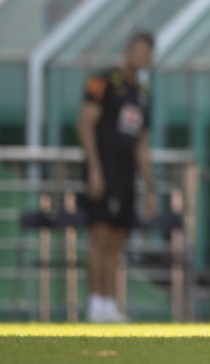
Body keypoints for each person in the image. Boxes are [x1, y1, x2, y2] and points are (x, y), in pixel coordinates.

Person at [76, 32, 157, 323]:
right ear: (127, 51)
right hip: (104, 167)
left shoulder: (143, 94)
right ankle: (94, 303)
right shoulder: (104, 81)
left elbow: (142, 145)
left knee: (118, 238)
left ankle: (110, 304)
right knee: (100, 235)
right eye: (136, 50)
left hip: (126, 173)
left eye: (145, 52)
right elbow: (85, 125)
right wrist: (94, 169)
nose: (140, 57)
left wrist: (150, 188)